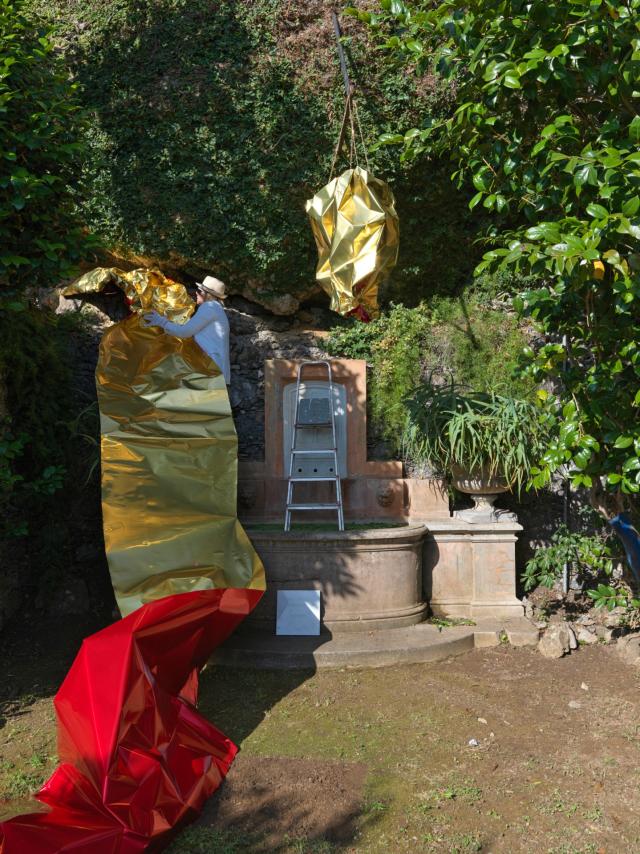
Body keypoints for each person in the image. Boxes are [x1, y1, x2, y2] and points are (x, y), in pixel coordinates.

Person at [143, 276, 231, 384]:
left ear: (209, 295)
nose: (196, 293)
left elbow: (185, 332)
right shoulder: (215, 309)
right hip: (213, 369)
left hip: (211, 370)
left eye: (199, 291)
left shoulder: (210, 307)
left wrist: (162, 322)